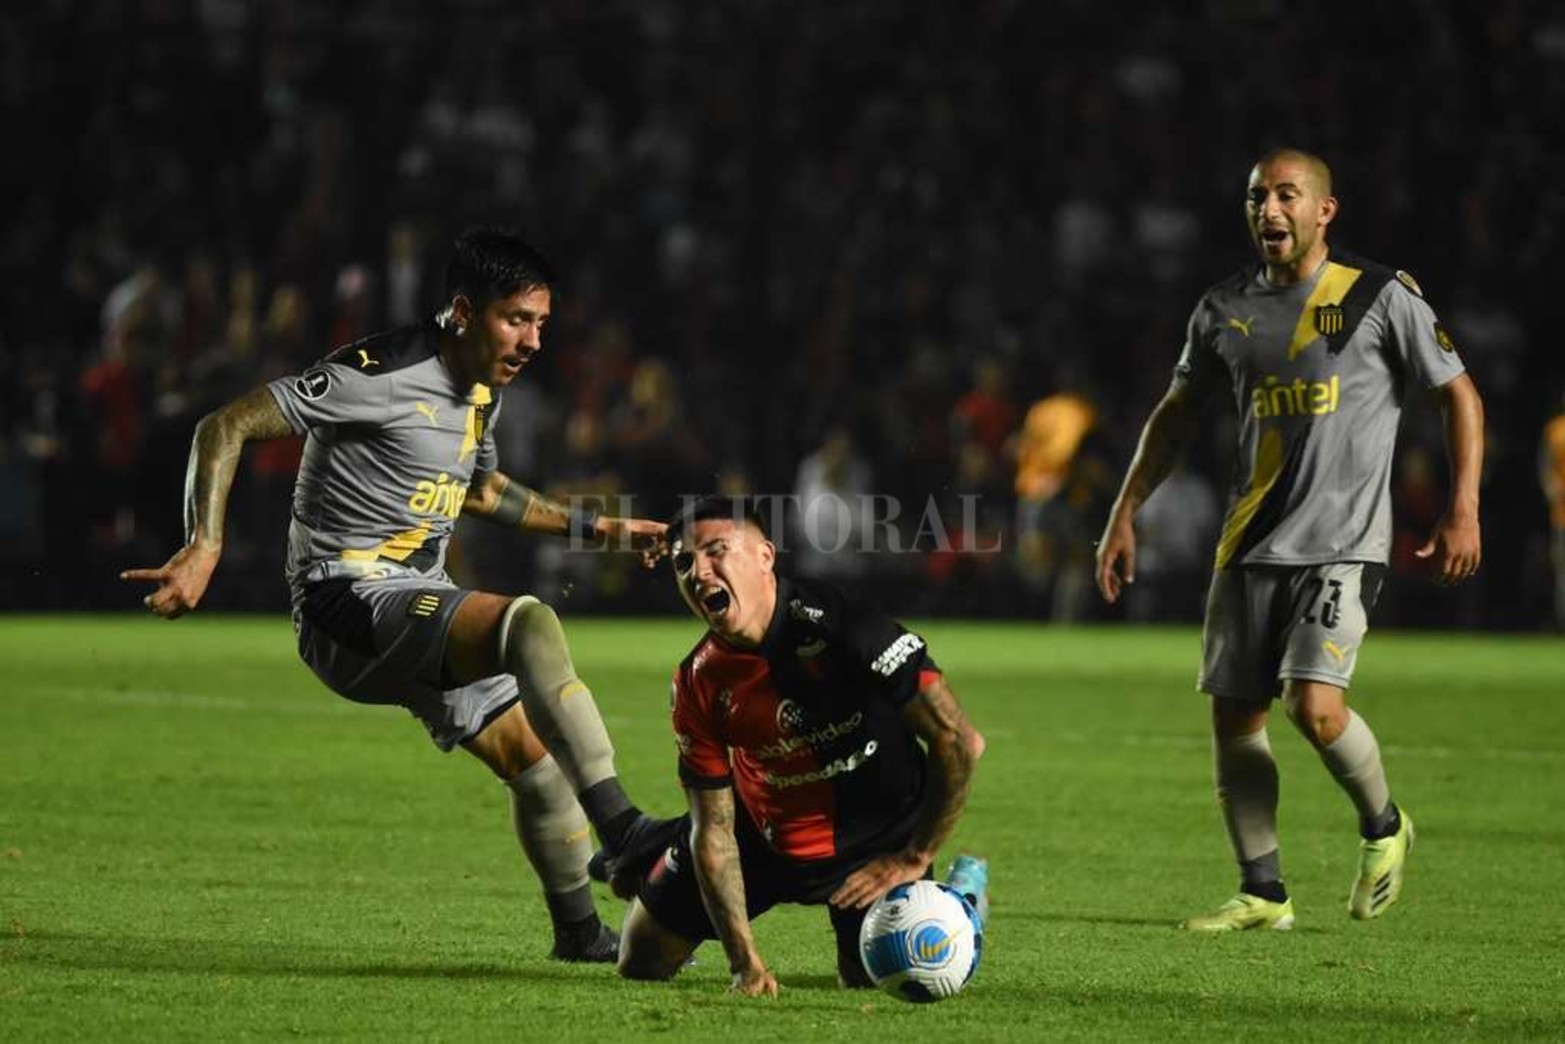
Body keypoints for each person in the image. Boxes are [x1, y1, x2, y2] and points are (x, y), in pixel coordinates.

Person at [122, 227, 677, 962]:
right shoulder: (377, 372)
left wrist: (602, 529)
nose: (534, 339)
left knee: (535, 762)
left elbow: (480, 491)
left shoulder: (483, 388)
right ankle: (625, 831)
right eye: (517, 318)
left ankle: (578, 934)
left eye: (542, 322)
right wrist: (205, 545)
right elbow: (222, 426)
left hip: (413, 601)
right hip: (342, 603)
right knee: (528, 622)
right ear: (462, 311)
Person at [1095, 148, 1485, 931]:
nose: (1268, 210)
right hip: (1246, 543)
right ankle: (1262, 892)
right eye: (1255, 197)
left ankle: (1384, 825)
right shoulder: (1221, 309)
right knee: (1235, 719)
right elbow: (1174, 417)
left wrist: (1462, 506)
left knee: (1314, 709)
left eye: (1285, 195)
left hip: (1342, 544)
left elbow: (1457, 394)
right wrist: (1123, 510)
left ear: (1322, 211)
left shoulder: (1377, 295)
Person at [611, 496, 987, 996]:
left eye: (716, 551)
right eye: (684, 562)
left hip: (874, 841)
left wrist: (916, 855)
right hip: (763, 836)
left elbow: (959, 740)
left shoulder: (846, 625)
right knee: (639, 960)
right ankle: (661, 844)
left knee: (876, 980)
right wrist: (742, 960)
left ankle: (959, 896)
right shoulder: (697, 681)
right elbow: (716, 830)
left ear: (766, 556)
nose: (699, 572)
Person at [1542, 395, 1565, 630]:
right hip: (1561, 515)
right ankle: (1561, 621)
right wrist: (1552, 490)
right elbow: (1545, 468)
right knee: (1562, 572)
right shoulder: (1555, 430)